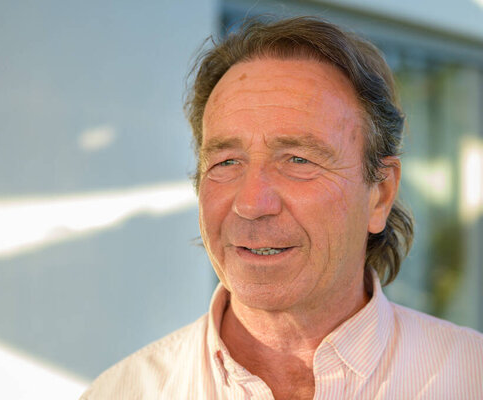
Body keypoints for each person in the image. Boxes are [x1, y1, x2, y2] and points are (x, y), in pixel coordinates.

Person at [81, 16, 483, 399]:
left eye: (298, 160)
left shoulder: (471, 378)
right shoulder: (120, 392)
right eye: (226, 162)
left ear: (379, 193)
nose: (252, 203)